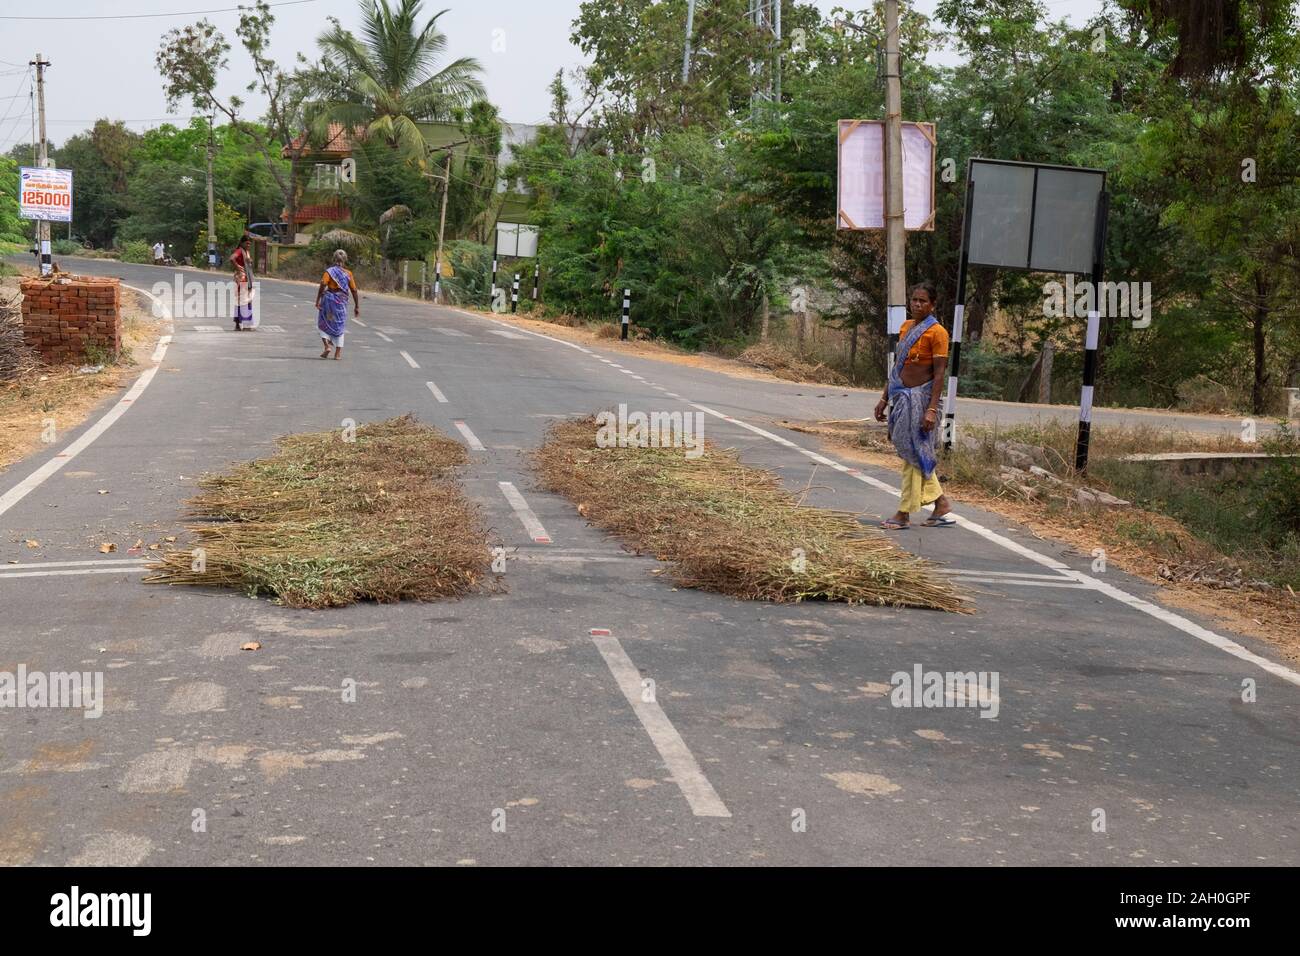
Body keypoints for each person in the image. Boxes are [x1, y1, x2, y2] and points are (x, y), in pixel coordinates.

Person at [873, 281, 957, 529]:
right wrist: (884, 398)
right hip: (901, 396)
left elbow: (939, 374)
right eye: (914, 300)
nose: (917, 304)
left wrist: (931, 409)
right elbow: (898, 366)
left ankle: (904, 512)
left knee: (913, 453)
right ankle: (940, 502)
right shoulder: (906, 327)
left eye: (923, 301)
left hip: (921, 400)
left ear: (932, 305)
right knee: (912, 451)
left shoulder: (938, 332)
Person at [315, 249, 360, 360]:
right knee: (339, 325)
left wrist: (318, 300)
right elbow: (354, 290)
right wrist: (357, 306)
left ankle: (327, 346)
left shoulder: (329, 271)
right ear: (345, 260)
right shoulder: (348, 274)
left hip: (329, 302)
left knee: (324, 322)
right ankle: (338, 354)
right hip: (341, 303)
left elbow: (323, 284)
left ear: (334, 259)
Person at [230, 235, 255, 332]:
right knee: (244, 301)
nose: (248, 245)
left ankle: (237, 324)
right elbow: (232, 258)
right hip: (242, 278)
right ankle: (245, 325)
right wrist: (237, 267)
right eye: (247, 243)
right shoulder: (240, 251)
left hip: (245, 278)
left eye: (250, 243)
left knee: (240, 301)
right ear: (241, 243)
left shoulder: (246, 252)